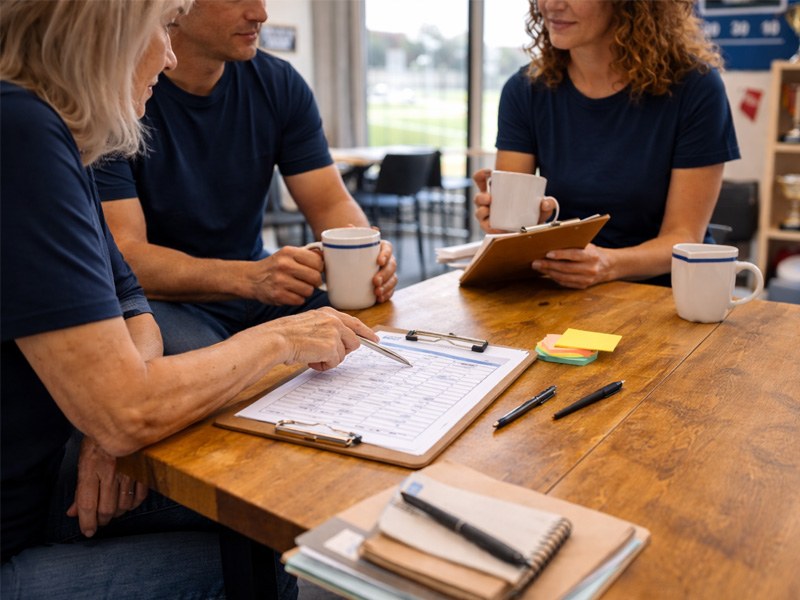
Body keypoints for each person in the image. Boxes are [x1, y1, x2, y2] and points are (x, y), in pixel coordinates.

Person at [0, 1, 377, 597]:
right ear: (109, 29)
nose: (168, 50)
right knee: (263, 561)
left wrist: (119, 404)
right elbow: (127, 410)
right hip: (15, 537)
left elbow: (129, 301)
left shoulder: (58, 136)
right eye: (160, 24)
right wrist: (279, 338)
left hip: (43, 481)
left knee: (268, 508)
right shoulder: (21, 132)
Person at [93, 0, 398, 355]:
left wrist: (365, 257)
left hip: (257, 286)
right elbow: (126, 256)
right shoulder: (121, 99)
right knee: (208, 375)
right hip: (165, 297)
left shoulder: (279, 84)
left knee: (367, 337)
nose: (261, 14)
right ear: (177, 8)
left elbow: (330, 201)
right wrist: (249, 278)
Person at [473, 0, 740, 288]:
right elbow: (512, 231)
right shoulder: (524, 89)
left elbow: (684, 237)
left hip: (666, 297)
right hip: (564, 292)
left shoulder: (696, 88)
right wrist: (511, 225)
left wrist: (607, 265)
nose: (551, 4)